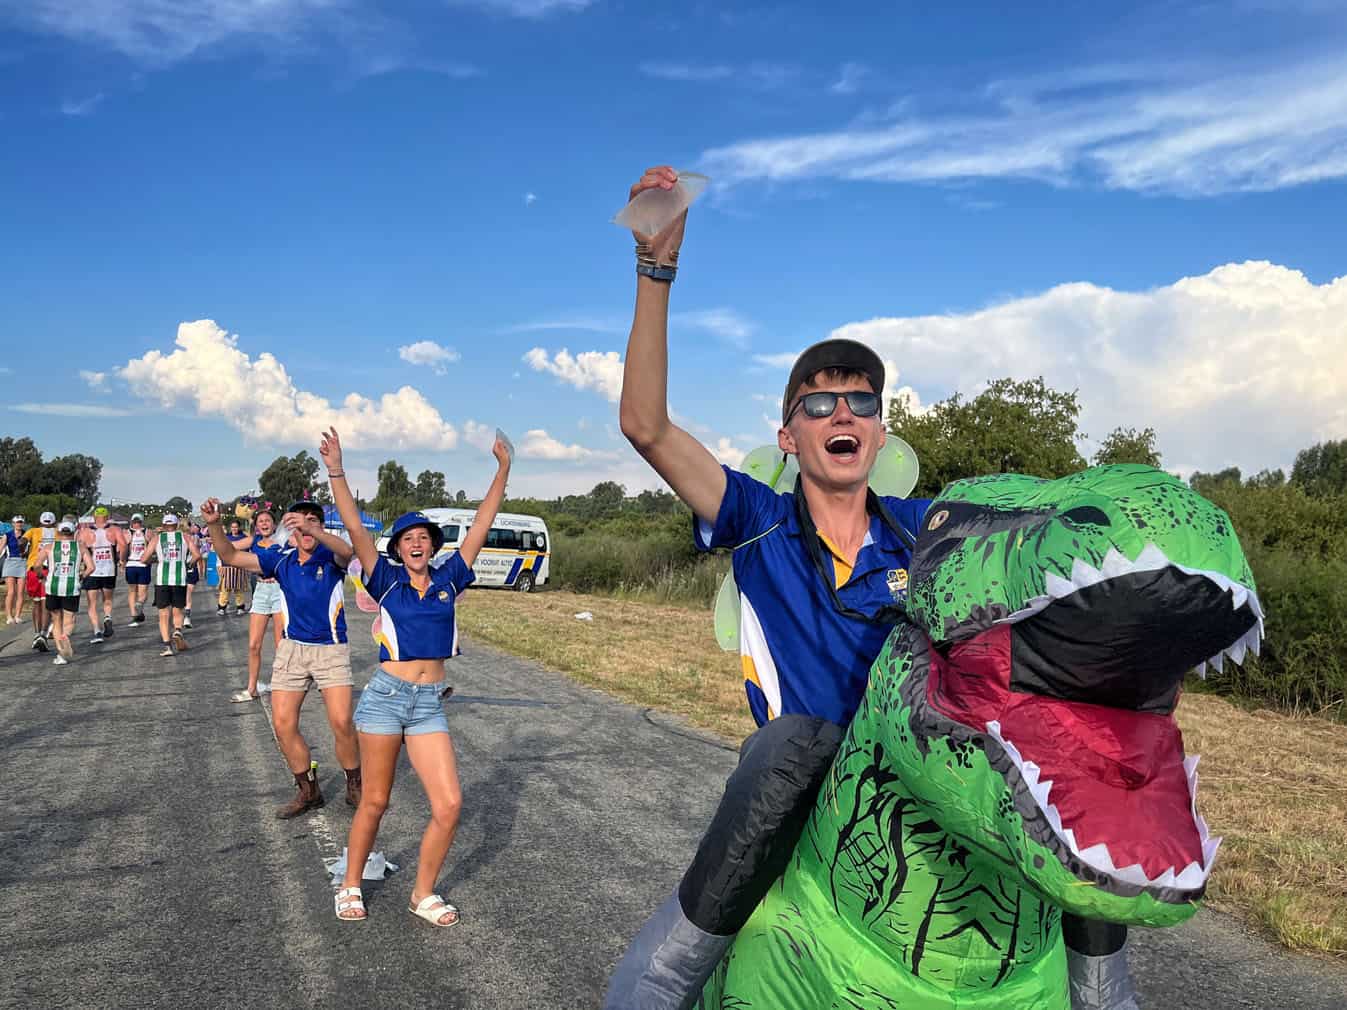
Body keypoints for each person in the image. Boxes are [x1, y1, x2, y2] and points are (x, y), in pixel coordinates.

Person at [603, 166, 934, 1009]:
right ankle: (663, 978)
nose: (842, 414)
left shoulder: (925, 530)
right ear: (787, 437)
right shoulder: (753, 516)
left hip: (920, 799)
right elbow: (644, 425)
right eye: (818, 404)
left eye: (860, 401)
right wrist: (656, 273)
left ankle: (1102, 989)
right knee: (782, 756)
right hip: (801, 806)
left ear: (880, 429)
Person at [322, 426, 510, 927]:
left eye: (424, 538)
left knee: (449, 803)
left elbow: (481, 526)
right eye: (408, 539)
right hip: (386, 698)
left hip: (428, 702)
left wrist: (503, 470)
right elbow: (356, 531)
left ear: (433, 546)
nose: (417, 544)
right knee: (376, 800)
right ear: (399, 549)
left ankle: (422, 894)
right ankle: (351, 884)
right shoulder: (384, 581)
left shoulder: (450, 578)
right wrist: (336, 469)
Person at [202, 496, 362, 818]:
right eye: (298, 522)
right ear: (289, 531)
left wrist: (313, 530)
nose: (304, 526)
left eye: (312, 521)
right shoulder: (281, 559)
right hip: (292, 650)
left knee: (341, 721)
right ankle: (308, 788)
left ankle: (355, 782)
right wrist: (215, 525)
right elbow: (230, 554)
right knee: (283, 724)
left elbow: (349, 551)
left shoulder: (332, 558)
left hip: (330, 648)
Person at [229, 509, 285, 703]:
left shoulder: (283, 541)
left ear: (274, 524)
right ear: (256, 526)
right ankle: (251, 688)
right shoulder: (252, 541)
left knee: (281, 645)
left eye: (267, 520)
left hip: (280, 590)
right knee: (254, 645)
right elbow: (228, 548)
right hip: (260, 591)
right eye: (260, 521)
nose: (264, 523)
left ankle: (281, 686)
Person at [135, 513, 202, 657]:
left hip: (162, 580)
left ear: (164, 526)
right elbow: (197, 555)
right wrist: (188, 564)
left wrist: (156, 561)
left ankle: (167, 647)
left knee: (163, 614)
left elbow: (144, 558)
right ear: (177, 525)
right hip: (180, 579)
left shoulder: (157, 538)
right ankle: (177, 630)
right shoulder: (185, 537)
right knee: (178, 611)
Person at [36, 517, 92, 665]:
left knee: (56, 619)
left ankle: (60, 652)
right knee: (70, 618)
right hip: (71, 586)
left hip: (52, 586)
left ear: (59, 532)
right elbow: (91, 567)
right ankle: (65, 638)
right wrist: (82, 576)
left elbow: (37, 565)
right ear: (73, 532)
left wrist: (42, 576)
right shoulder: (80, 547)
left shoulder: (49, 547)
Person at [79, 505, 125, 645]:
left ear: (94, 517)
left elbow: (79, 549)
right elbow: (123, 544)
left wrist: (80, 567)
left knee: (92, 604)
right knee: (108, 599)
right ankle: (107, 617)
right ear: (107, 517)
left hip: (92, 570)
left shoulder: (85, 532)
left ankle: (97, 631)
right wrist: (122, 560)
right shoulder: (114, 530)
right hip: (109, 570)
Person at [23, 511, 57, 651]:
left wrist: (23, 550)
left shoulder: (33, 531)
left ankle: (38, 634)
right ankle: (42, 634)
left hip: (33, 568)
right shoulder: (57, 532)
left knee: (37, 602)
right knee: (45, 603)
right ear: (53, 522)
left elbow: (22, 541)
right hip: (49, 569)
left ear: (41, 520)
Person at [123, 513, 152, 626]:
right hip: (143, 565)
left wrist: (122, 562)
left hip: (130, 564)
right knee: (142, 593)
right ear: (142, 521)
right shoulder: (148, 532)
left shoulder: (127, 533)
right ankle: (139, 604)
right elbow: (153, 546)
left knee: (131, 591)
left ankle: (134, 616)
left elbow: (123, 549)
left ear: (132, 522)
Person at [217, 518, 249, 616]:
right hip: (227, 566)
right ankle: (222, 607)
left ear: (239, 527)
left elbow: (247, 551)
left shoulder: (244, 537)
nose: (234, 529)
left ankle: (240, 607)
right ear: (230, 528)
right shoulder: (226, 537)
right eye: (232, 527)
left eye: (236, 527)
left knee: (238, 589)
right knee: (225, 589)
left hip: (239, 565)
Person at [3, 516, 27, 624]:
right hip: (10, 561)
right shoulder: (7, 535)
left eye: (21, 522)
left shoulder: (26, 534)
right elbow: (1, 548)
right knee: (11, 591)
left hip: (22, 562)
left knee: (20, 591)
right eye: (17, 522)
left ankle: (18, 615)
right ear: (13, 523)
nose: (19, 524)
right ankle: (9, 616)